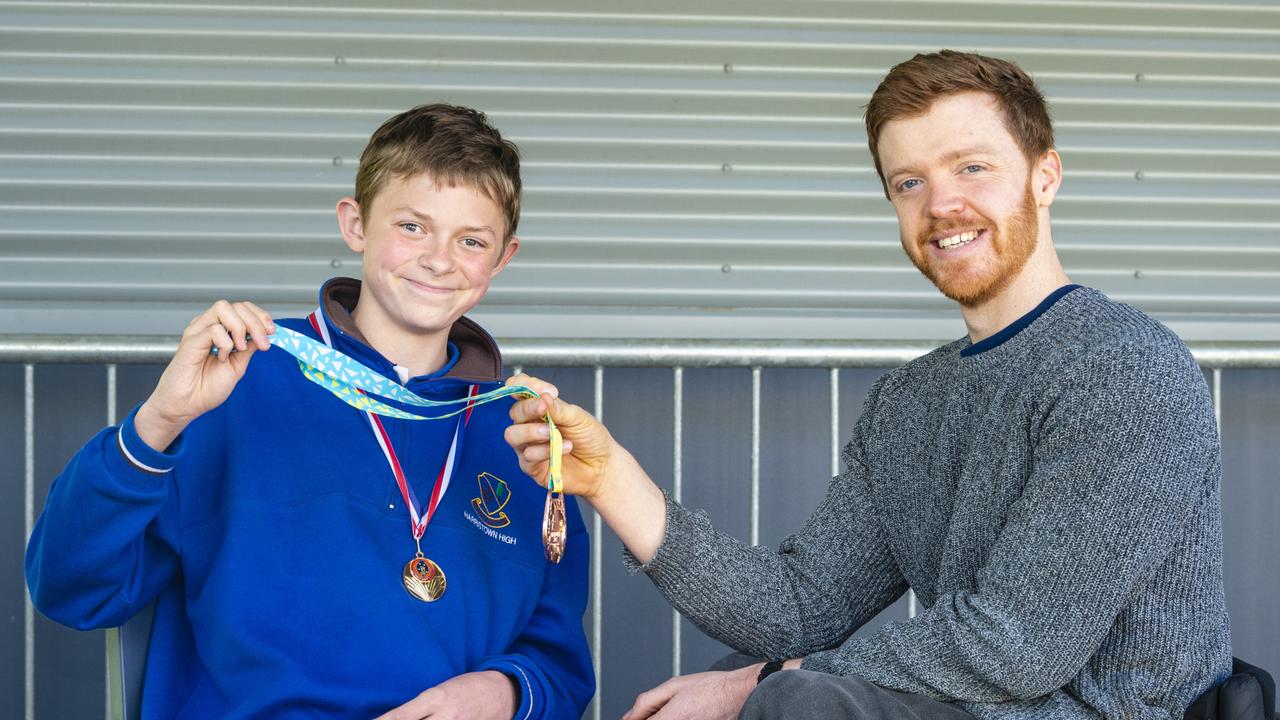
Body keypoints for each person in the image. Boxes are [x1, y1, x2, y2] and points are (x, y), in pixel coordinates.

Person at [505, 51, 1231, 720]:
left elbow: (1016, 647)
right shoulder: (910, 403)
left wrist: (757, 685)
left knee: (792, 698)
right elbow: (796, 610)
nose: (940, 204)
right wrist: (613, 483)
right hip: (981, 706)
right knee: (762, 679)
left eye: (971, 167)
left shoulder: (1124, 368)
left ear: (1046, 175)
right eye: (909, 182)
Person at [26, 104, 594, 719]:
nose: (439, 259)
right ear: (355, 224)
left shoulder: (523, 435)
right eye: (411, 226)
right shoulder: (238, 380)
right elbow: (70, 588)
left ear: (503, 257)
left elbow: (559, 665)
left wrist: (504, 691)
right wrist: (159, 421)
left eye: (471, 240)